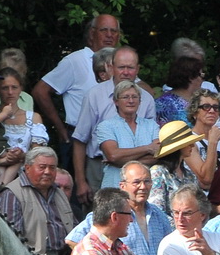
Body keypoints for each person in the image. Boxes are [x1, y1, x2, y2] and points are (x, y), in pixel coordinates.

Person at [71, 46, 156, 201]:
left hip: (141, 171)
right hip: (98, 166)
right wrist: (81, 181)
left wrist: (123, 161)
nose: (126, 72)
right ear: (111, 68)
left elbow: (156, 149)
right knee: (102, 214)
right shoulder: (94, 95)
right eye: (121, 67)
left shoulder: (147, 99)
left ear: (137, 69)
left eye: (130, 67)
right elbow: (80, 140)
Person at [33, 14, 122, 146]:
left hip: (116, 137)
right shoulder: (75, 61)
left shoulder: (123, 62)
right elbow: (40, 91)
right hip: (81, 138)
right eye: (104, 30)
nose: (109, 35)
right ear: (92, 33)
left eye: (113, 31)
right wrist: (60, 128)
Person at [66, 163, 170, 255]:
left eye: (147, 181)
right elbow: (72, 240)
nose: (143, 187)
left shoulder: (158, 214)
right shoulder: (109, 213)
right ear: (122, 186)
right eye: (136, 182)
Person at [0, 147, 75, 255]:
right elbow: (9, 239)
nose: (47, 172)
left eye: (52, 168)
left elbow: (75, 226)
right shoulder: (11, 194)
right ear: (27, 168)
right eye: (42, 167)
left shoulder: (59, 193)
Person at [69, 188, 152, 255]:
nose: (131, 220)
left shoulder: (121, 247)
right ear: (114, 217)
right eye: (129, 214)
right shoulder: (89, 251)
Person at [93, 79, 161, 194]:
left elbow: (158, 157)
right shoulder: (106, 126)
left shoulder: (151, 125)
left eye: (134, 97)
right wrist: (147, 148)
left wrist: (120, 161)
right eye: (125, 97)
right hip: (115, 188)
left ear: (140, 101)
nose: (131, 101)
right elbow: (113, 155)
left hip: (145, 190)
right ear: (116, 101)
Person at [156, 54, 205, 128]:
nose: (202, 80)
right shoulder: (163, 103)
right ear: (191, 77)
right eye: (201, 75)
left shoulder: (202, 100)